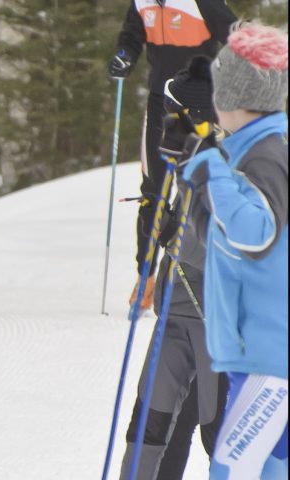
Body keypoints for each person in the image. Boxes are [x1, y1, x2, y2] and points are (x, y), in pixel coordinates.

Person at [180, 22, 287, 480]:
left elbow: (256, 233)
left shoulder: (264, 154)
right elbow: (227, 241)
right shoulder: (252, 151)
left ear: (234, 99)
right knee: (267, 466)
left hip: (268, 352)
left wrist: (211, 173)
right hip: (260, 349)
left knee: (230, 466)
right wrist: (200, 185)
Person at [118, 55, 227, 480]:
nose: (164, 121)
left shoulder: (228, 165)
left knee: (217, 434)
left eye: (172, 114)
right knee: (149, 425)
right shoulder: (181, 161)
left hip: (214, 319)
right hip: (174, 312)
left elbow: (232, 246)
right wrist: (152, 235)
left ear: (198, 119)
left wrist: (175, 239)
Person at [109, 0, 235, 310]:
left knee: (204, 186)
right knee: (153, 189)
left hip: (201, 103)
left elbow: (236, 38)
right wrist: (124, 55)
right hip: (159, 103)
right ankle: (146, 274)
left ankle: (216, 275)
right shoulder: (141, 2)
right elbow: (131, 35)